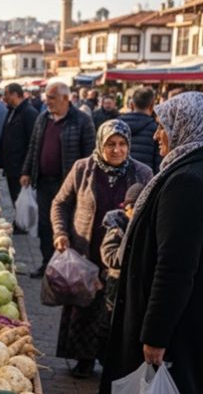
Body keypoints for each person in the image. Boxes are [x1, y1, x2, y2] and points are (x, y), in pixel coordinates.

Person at [101, 92, 203, 394]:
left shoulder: (187, 181)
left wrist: (155, 336)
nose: (158, 134)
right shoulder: (187, 170)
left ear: (185, 125)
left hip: (173, 329)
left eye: (163, 126)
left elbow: (175, 267)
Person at [50, 120, 153, 379]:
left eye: (122, 144)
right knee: (84, 308)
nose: (117, 150)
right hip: (86, 253)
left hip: (121, 256)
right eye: (110, 144)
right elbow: (60, 203)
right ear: (100, 143)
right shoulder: (82, 168)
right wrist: (61, 234)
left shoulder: (143, 173)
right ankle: (83, 360)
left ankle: (110, 360)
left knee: (115, 312)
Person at [21, 82, 96, 278]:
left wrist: (86, 185)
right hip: (45, 182)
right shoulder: (43, 118)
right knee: (45, 226)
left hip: (69, 185)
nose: (47, 101)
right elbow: (34, 146)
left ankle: (65, 268)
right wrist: (27, 171)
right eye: (47, 97)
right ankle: (47, 264)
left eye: (52, 98)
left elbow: (90, 155)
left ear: (65, 98)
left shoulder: (82, 120)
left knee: (66, 226)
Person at [100, 182, 145, 312]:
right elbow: (110, 256)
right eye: (135, 208)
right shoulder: (117, 227)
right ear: (126, 209)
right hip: (116, 289)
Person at [0, 83, 39, 206]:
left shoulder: (29, 113)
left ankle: (23, 225)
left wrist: (27, 171)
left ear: (15, 94)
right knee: (16, 203)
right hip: (11, 168)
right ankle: (18, 224)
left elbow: (33, 144)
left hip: (20, 170)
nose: (4, 97)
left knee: (23, 205)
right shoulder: (12, 111)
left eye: (7, 94)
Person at [120, 87, 160, 173]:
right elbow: (158, 162)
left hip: (119, 176)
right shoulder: (156, 129)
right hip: (145, 178)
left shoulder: (117, 124)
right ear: (152, 105)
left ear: (132, 104)